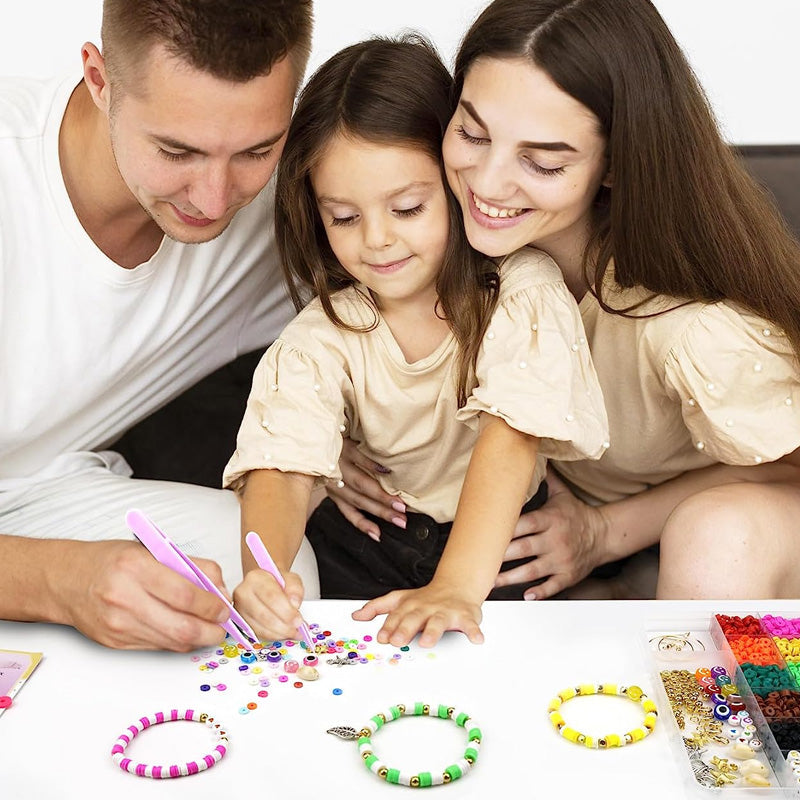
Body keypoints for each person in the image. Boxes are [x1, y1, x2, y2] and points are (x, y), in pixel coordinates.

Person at [329, 0, 800, 602]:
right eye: (472, 132)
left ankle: (736, 701)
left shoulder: (692, 329)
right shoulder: (433, 229)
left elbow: (786, 466)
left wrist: (605, 533)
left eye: (542, 161)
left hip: (729, 526)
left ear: (613, 165)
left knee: (714, 537)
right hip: (559, 534)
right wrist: (331, 441)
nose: (487, 182)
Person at [224, 34, 608, 649]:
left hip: (498, 547)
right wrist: (264, 574)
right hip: (366, 547)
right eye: (344, 217)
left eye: (406, 208)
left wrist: (457, 585)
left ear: (457, 186)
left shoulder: (520, 292)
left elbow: (510, 440)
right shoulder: (323, 335)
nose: (376, 239)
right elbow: (283, 465)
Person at [0, 0, 319, 652]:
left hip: (43, 491)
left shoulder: (297, 202)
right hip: (37, 536)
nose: (213, 198)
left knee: (264, 579)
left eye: (257, 149)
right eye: (177, 150)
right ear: (99, 78)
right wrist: (51, 581)